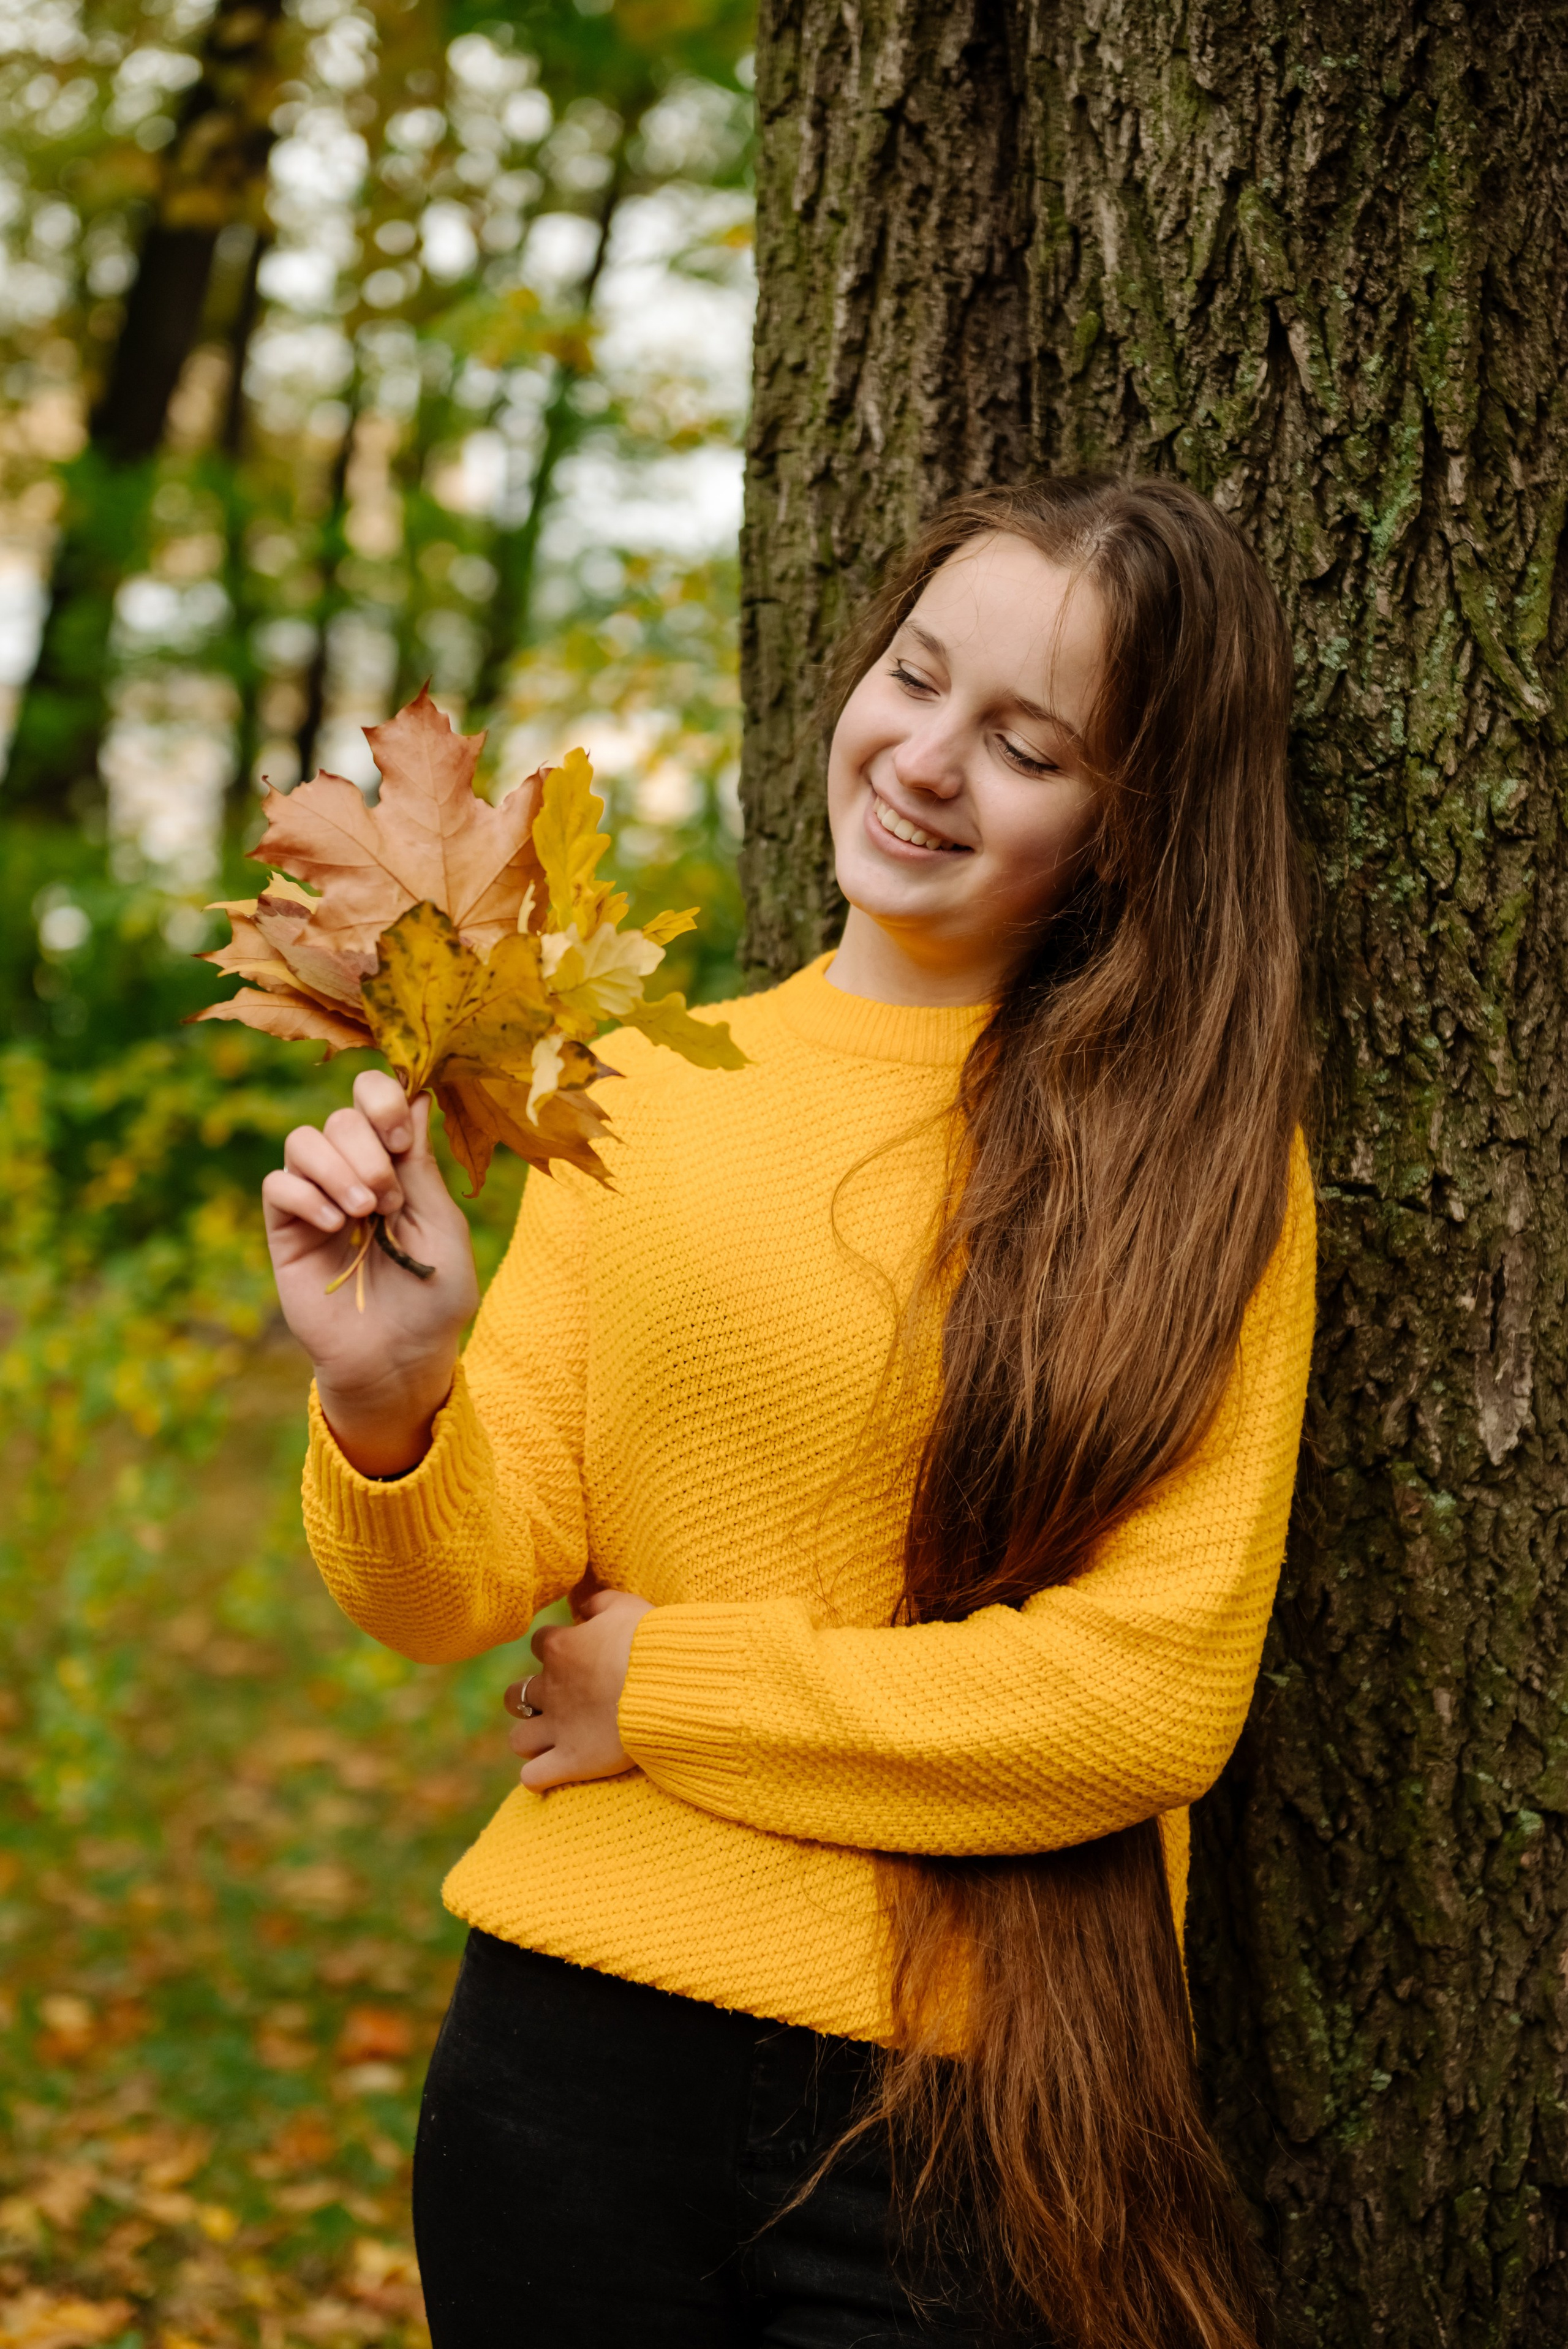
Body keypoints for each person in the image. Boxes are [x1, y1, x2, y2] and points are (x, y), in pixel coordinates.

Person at [262, 475, 1316, 2349]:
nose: (925, 759)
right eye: (914, 678)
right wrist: (387, 1390)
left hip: (973, 2121)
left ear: (1128, 827)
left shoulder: (1203, 1174)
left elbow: (1144, 1700)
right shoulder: (640, 1088)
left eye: (1028, 745)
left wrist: (655, 1688)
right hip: (563, 2062)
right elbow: (455, 1593)